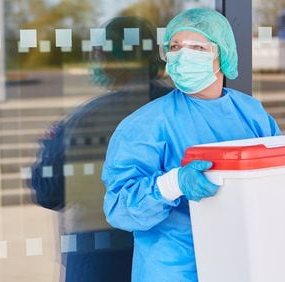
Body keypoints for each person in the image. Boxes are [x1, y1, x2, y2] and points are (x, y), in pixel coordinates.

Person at [101, 8, 282, 282]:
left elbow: (278, 179)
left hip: (241, 263)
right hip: (173, 270)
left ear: (222, 54)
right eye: (175, 47)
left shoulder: (253, 114)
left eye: (197, 47)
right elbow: (119, 209)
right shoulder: (145, 125)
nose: (183, 55)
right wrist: (173, 184)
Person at [29, 16, 172, 281]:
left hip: (101, 253)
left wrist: (50, 145)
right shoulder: (182, 107)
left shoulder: (89, 117)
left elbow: (48, 192)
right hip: (168, 248)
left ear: (117, 57)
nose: (96, 59)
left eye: (100, 52)